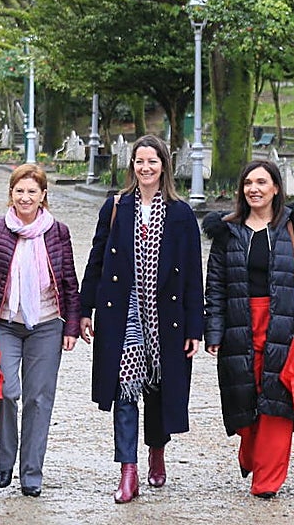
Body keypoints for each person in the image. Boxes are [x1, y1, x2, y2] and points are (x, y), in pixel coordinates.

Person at [79, 134, 203, 504]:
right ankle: (128, 470)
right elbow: (97, 259)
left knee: (159, 389)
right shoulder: (116, 207)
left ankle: (157, 450)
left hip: (166, 315)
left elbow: (193, 275)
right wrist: (85, 310)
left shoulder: (181, 215)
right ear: (132, 165)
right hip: (124, 311)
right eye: (139, 161)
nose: (145, 168)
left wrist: (195, 327)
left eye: (152, 161)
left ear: (164, 165)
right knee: (126, 388)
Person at [202, 160, 294, 499]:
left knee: (278, 401)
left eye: (261, 182)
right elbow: (215, 285)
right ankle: (251, 449)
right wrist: (213, 330)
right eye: (248, 183)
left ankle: (267, 480)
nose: (254, 189)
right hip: (240, 324)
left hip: (286, 325)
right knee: (243, 398)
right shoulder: (228, 231)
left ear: (275, 188)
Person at [0, 164, 80, 498]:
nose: (25, 197)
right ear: (11, 194)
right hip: (3, 322)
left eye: (32, 191)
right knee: (5, 390)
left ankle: (31, 471)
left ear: (43, 195)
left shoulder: (58, 232)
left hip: (46, 324)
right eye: (20, 191)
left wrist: (71, 326)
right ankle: (5, 460)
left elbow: (70, 283)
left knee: (38, 399)